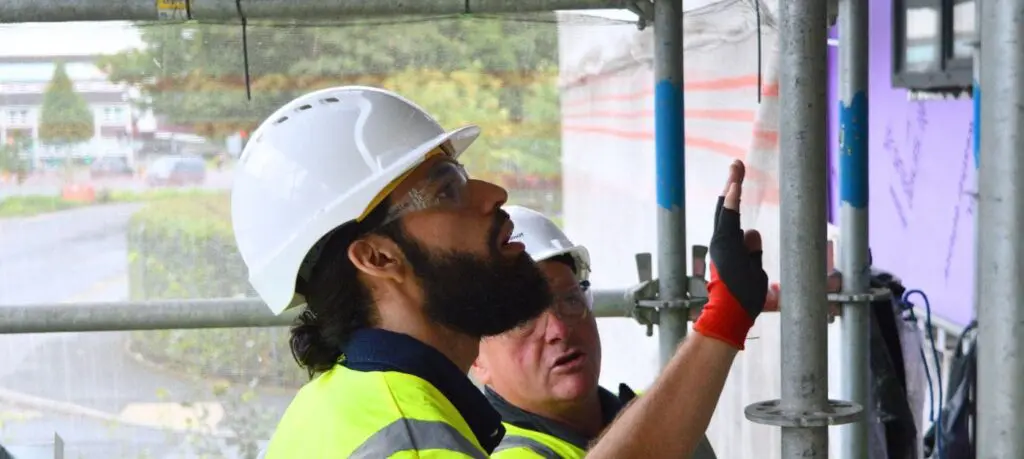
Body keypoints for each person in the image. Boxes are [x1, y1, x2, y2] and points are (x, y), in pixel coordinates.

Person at [232, 85, 769, 458]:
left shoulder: (343, 402)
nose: (493, 195)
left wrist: (722, 320)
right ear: (377, 258)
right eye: (446, 188)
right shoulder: (413, 445)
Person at [474, 205, 718, 458]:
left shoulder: (656, 411)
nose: (559, 329)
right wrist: (720, 326)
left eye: (570, 300)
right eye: (522, 318)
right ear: (476, 357)